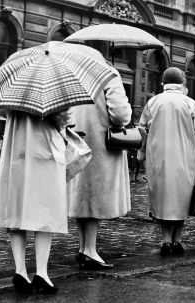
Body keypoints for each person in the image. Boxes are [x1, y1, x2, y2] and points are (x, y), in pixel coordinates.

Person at [68, 40, 132, 270]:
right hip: (100, 144)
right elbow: (121, 116)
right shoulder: (108, 73)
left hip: (75, 141)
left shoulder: (71, 72)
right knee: (94, 197)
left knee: (81, 196)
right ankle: (91, 250)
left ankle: (83, 246)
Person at [139, 67, 195, 257]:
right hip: (185, 158)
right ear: (182, 83)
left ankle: (166, 240)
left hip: (158, 158)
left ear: (164, 82)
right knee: (182, 200)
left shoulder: (153, 102)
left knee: (162, 199)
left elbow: (142, 131)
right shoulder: (189, 103)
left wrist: (142, 155)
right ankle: (177, 240)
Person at [0, 110, 70, 294]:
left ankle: (20, 271)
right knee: (46, 208)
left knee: (17, 207)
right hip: (44, 148)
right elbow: (59, 118)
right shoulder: (50, 84)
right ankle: (41, 273)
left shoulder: (14, 87)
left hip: (16, 148)